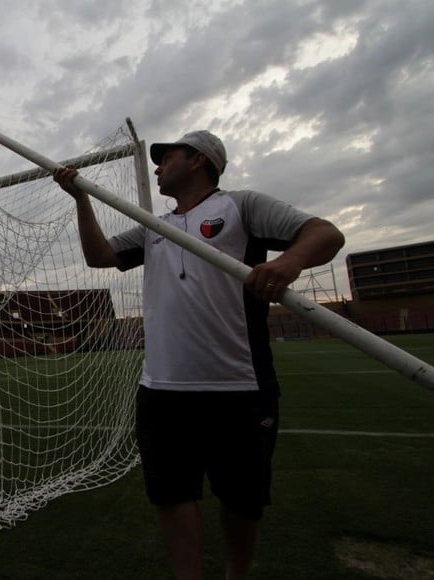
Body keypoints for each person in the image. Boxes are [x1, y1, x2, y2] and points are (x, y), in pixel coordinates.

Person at [54, 130, 344, 580]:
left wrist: (289, 262)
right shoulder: (153, 226)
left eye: (165, 158)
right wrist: (80, 200)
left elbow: (325, 233)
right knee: (171, 494)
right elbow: (100, 256)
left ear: (197, 161)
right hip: (162, 388)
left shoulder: (242, 205)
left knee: (242, 499)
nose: (157, 167)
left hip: (239, 386)